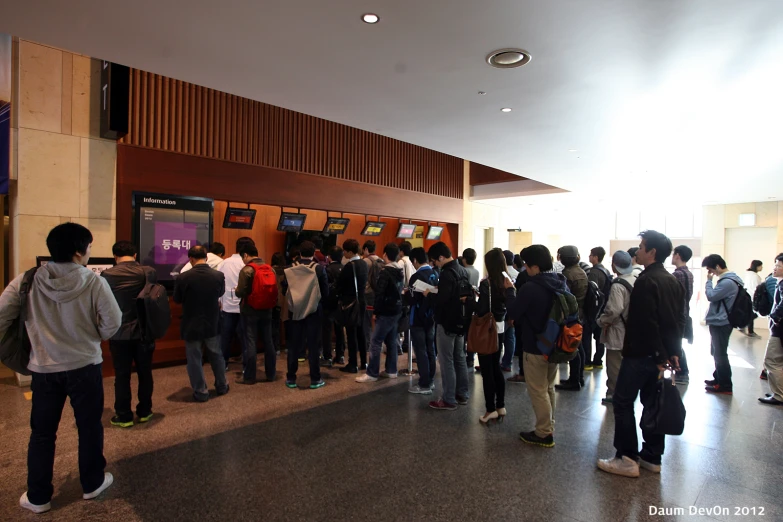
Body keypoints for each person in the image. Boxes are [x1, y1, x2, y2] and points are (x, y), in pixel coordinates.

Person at [0, 223, 121, 513]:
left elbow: (3, 316)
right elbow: (113, 323)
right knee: (89, 427)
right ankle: (92, 483)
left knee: (42, 434)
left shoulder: (27, 280)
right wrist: (93, 335)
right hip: (85, 367)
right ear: (79, 251)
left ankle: (38, 496)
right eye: (89, 247)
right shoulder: (94, 282)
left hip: (43, 369)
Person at [597, 230, 684, 477]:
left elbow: (648, 323)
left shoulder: (647, 281)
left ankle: (626, 457)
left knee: (623, 402)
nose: (639, 250)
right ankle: (652, 456)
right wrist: (672, 353)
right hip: (660, 355)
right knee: (651, 403)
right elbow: (677, 320)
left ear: (652, 252)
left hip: (641, 355)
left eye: (642, 246)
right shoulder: (671, 280)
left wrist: (658, 356)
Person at [503, 244, 564, 447]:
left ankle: (543, 432)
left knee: (537, 389)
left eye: (528, 265)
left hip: (535, 345)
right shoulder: (560, 282)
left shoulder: (531, 287)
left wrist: (510, 291)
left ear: (535, 266)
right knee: (548, 387)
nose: (526, 269)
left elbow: (514, 311)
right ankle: (549, 424)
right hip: (555, 343)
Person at [101, 240, 157, 428]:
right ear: (135, 255)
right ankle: (145, 411)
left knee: (122, 375)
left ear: (115, 257)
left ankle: (124, 416)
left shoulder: (107, 275)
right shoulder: (148, 272)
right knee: (145, 372)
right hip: (144, 332)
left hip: (119, 333)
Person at [173, 245, 228, 402]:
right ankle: (222, 386)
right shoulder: (218, 275)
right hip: (212, 321)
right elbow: (221, 293)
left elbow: (177, 299)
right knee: (216, 355)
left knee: (194, 359)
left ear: (190, 259)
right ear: (206, 257)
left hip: (191, 323)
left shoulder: (183, 277)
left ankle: (201, 392)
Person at [426, 242, 471, 411]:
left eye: (435, 261)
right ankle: (462, 394)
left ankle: (448, 398)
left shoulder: (446, 273)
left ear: (441, 257)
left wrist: (430, 294)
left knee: (446, 360)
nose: (435, 265)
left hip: (446, 322)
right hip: (461, 321)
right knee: (459, 358)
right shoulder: (462, 270)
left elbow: (442, 301)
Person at [284, 241, 329, 389]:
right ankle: (315, 379)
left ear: (299, 253)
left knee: (294, 345)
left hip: (295, 310)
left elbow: (285, 287)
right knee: (313, 345)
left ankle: (291, 378)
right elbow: (325, 292)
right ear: (313, 253)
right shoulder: (319, 269)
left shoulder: (290, 268)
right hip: (314, 311)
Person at [357, 243, 404, 382]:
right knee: (391, 340)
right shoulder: (399, 270)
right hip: (396, 310)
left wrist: (376, 311)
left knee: (375, 341)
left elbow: (380, 293)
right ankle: (391, 370)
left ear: (385, 255)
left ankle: (372, 373)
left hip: (385, 311)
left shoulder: (385, 272)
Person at [476, 248, 513, 424]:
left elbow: (482, 310)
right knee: (496, 367)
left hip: (487, 330)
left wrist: (470, 301)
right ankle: (501, 405)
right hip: (500, 327)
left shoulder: (487, 284)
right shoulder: (506, 281)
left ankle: (490, 409)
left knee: (487, 370)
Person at [596, 251, 636, 404]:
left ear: (614, 265)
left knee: (614, 365)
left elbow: (614, 310)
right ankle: (627, 391)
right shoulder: (635, 280)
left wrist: (601, 321)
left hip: (617, 330)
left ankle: (614, 393)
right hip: (631, 329)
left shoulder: (618, 285)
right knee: (627, 364)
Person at [234, 244, 277, 385]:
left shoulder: (247, 270)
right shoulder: (270, 269)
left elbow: (240, 292)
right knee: (268, 341)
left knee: (250, 342)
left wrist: (236, 290)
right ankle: (271, 374)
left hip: (250, 310)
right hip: (267, 309)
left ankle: (250, 377)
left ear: (246, 255)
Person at [703, 254, 744, 395]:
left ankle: (725, 385)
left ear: (718, 267)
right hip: (721, 320)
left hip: (721, 322)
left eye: (711, 270)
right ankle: (719, 379)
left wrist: (708, 282)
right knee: (716, 352)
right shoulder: (732, 279)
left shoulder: (727, 282)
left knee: (720, 354)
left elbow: (711, 296)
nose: (711, 273)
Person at [218, 237, 255, 368]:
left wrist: (219, 301)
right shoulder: (249, 264)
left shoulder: (224, 263)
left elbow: (219, 283)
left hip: (227, 306)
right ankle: (247, 367)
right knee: (246, 338)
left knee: (225, 338)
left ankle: (223, 364)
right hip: (245, 307)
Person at [406, 247, 439, 394]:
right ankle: (430, 380)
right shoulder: (435, 273)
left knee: (421, 351)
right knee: (430, 349)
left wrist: (406, 294)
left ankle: (424, 384)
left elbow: (412, 299)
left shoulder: (416, 277)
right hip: (431, 317)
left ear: (414, 260)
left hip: (418, 319)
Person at [555, 245, 588, 391]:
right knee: (578, 347)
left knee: (572, 347)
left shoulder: (567, 274)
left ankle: (574, 379)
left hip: (570, 315)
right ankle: (578, 377)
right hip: (580, 312)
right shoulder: (581, 271)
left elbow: (563, 297)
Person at [337, 239, 369, 373]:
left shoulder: (350, 266)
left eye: (345, 251)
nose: (344, 253)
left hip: (351, 303)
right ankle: (364, 362)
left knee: (351, 334)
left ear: (350, 251)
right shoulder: (364, 263)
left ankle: (353, 364)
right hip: (362, 301)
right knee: (361, 333)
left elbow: (340, 285)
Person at [759, 253, 783, 405]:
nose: (775, 268)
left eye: (778, 266)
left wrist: (775, 316)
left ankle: (779, 395)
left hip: (779, 330)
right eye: (775, 265)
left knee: (772, 361)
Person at [586, 246, 612, 370]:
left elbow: (592, 292)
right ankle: (598, 360)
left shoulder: (594, 272)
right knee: (599, 337)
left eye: (591, 255)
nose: (589, 257)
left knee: (587, 336)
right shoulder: (606, 271)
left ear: (595, 257)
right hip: (603, 308)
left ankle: (587, 362)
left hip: (594, 310)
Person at [671, 245, 694, 384]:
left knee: (675, 344)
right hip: (685, 312)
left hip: (677, 314)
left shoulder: (677, 275)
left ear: (678, 255)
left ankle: (682, 371)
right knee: (677, 343)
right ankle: (682, 371)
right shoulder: (689, 274)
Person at [322, 245, 346, 366]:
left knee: (326, 331)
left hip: (328, 304)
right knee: (339, 330)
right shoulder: (345, 268)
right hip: (341, 304)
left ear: (329, 257)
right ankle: (340, 355)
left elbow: (325, 288)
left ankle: (327, 357)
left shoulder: (327, 269)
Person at [362, 240, 383, 360]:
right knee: (375, 320)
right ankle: (376, 343)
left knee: (367, 321)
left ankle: (367, 345)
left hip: (368, 293)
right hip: (377, 294)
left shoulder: (365, 262)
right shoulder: (381, 260)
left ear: (365, 249)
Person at [462, 248, 480, 370]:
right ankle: (471, 358)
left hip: (464, 303)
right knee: (471, 332)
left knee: (463, 333)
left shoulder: (463, 271)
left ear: (464, 259)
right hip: (473, 302)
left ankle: (463, 356)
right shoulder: (477, 271)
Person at [500, 250, 518, 373]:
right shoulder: (517, 273)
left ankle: (498, 361)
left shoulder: (502, 275)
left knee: (499, 337)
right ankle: (507, 362)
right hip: (512, 310)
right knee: (510, 338)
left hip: (503, 310)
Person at [270, 252, 287, 355]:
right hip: (285, 300)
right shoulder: (287, 271)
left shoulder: (271, 270)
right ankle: (286, 346)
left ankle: (275, 348)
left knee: (274, 325)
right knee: (287, 324)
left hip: (274, 300)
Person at [743, 260, 764, 338]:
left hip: (746, 296)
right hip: (753, 297)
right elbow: (758, 288)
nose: (762, 267)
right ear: (757, 266)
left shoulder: (748, 274)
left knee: (750, 314)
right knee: (753, 314)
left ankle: (745, 327)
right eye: (761, 266)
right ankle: (749, 330)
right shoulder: (755, 276)